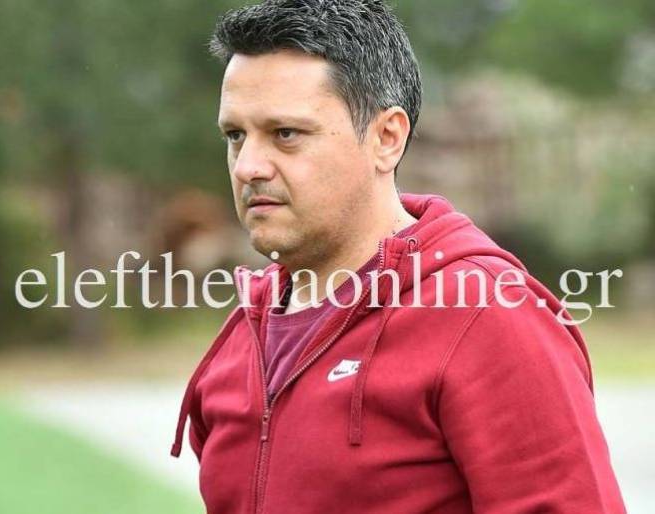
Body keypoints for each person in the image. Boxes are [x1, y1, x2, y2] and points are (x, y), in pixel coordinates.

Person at [171, 1, 626, 512]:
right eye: (236, 135)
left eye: (286, 134)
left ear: (386, 138)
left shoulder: (487, 318)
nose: (248, 166)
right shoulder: (244, 335)